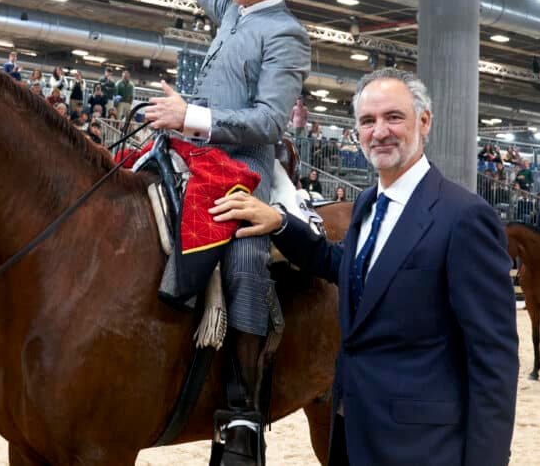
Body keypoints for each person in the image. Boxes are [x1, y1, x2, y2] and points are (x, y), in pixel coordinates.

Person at [209, 69, 518, 466]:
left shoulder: (464, 217)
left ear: (424, 122)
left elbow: (493, 358)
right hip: (351, 433)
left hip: (421, 448)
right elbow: (350, 267)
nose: (380, 131)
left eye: (394, 117)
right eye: (368, 121)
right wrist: (282, 224)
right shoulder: (369, 206)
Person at [142, 0, 314, 457]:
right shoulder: (234, 10)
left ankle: (242, 410)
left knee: (244, 257)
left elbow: (268, 120)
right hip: (191, 150)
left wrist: (192, 114)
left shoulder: (285, 34)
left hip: (245, 168)